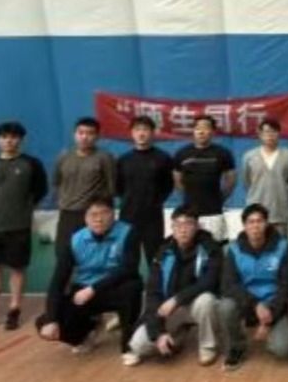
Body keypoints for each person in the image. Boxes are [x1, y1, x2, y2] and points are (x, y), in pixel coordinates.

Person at [38, 196, 142, 356]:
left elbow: (129, 269)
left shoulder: (128, 232)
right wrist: (51, 319)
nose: (98, 219)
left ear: (113, 214)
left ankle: (128, 346)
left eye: (104, 213)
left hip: (114, 288)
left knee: (133, 287)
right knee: (43, 323)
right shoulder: (76, 239)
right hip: (84, 293)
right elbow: (58, 281)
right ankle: (85, 333)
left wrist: (93, 289)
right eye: (93, 214)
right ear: (85, 218)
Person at [124, 206, 224, 367]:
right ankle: (177, 336)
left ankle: (208, 346)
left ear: (197, 226)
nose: (183, 229)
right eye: (178, 225)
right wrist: (158, 333)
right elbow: (153, 292)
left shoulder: (210, 248)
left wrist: (177, 299)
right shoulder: (163, 252)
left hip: (194, 305)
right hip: (169, 309)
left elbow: (209, 282)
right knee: (139, 345)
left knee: (206, 300)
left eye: (188, 224)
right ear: (172, 227)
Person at [0, 120, 48, 332]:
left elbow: (40, 190)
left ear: (21, 140)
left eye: (14, 137)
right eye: (4, 137)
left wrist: (23, 208)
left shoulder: (31, 164)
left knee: (17, 269)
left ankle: (14, 309)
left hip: (18, 227)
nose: (9, 141)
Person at [219, 202, 288, 370]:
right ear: (244, 226)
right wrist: (255, 305)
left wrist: (270, 317)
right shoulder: (234, 250)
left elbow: (287, 286)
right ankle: (237, 347)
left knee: (282, 350)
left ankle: (270, 329)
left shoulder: (283, 247)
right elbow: (229, 285)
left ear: (267, 223)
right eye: (251, 222)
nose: (255, 226)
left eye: (259, 221)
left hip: (274, 304)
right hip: (247, 302)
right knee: (225, 306)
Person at [115, 114, 174, 272]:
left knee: (155, 258)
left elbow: (168, 185)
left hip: (152, 217)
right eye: (137, 130)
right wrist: (129, 200)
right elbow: (118, 187)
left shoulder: (163, 158)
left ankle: (155, 286)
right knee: (128, 259)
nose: (141, 134)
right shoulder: (123, 160)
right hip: (128, 216)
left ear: (153, 133)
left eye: (145, 130)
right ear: (131, 133)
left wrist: (155, 202)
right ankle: (130, 287)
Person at [52, 117, 116, 253]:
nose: (84, 137)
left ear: (97, 136)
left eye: (90, 133)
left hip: (93, 215)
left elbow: (112, 187)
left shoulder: (104, 157)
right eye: (80, 133)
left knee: (92, 255)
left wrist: (101, 214)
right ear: (74, 134)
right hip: (67, 214)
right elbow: (57, 182)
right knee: (63, 253)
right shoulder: (64, 157)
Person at [171, 114, 236, 242]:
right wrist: (188, 197)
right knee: (191, 247)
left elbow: (230, 180)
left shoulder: (222, 153)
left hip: (214, 212)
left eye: (205, 128)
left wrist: (219, 199)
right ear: (193, 131)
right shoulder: (182, 154)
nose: (201, 132)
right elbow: (177, 180)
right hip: (190, 213)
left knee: (216, 247)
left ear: (212, 132)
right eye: (198, 128)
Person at [240, 118, 288, 235]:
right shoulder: (249, 157)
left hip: (280, 211)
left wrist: (285, 196)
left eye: (273, 132)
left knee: (280, 244)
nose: (270, 135)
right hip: (256, 214)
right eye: (266, 132)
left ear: (279, 134)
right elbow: (247, 182)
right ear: (260, 134)